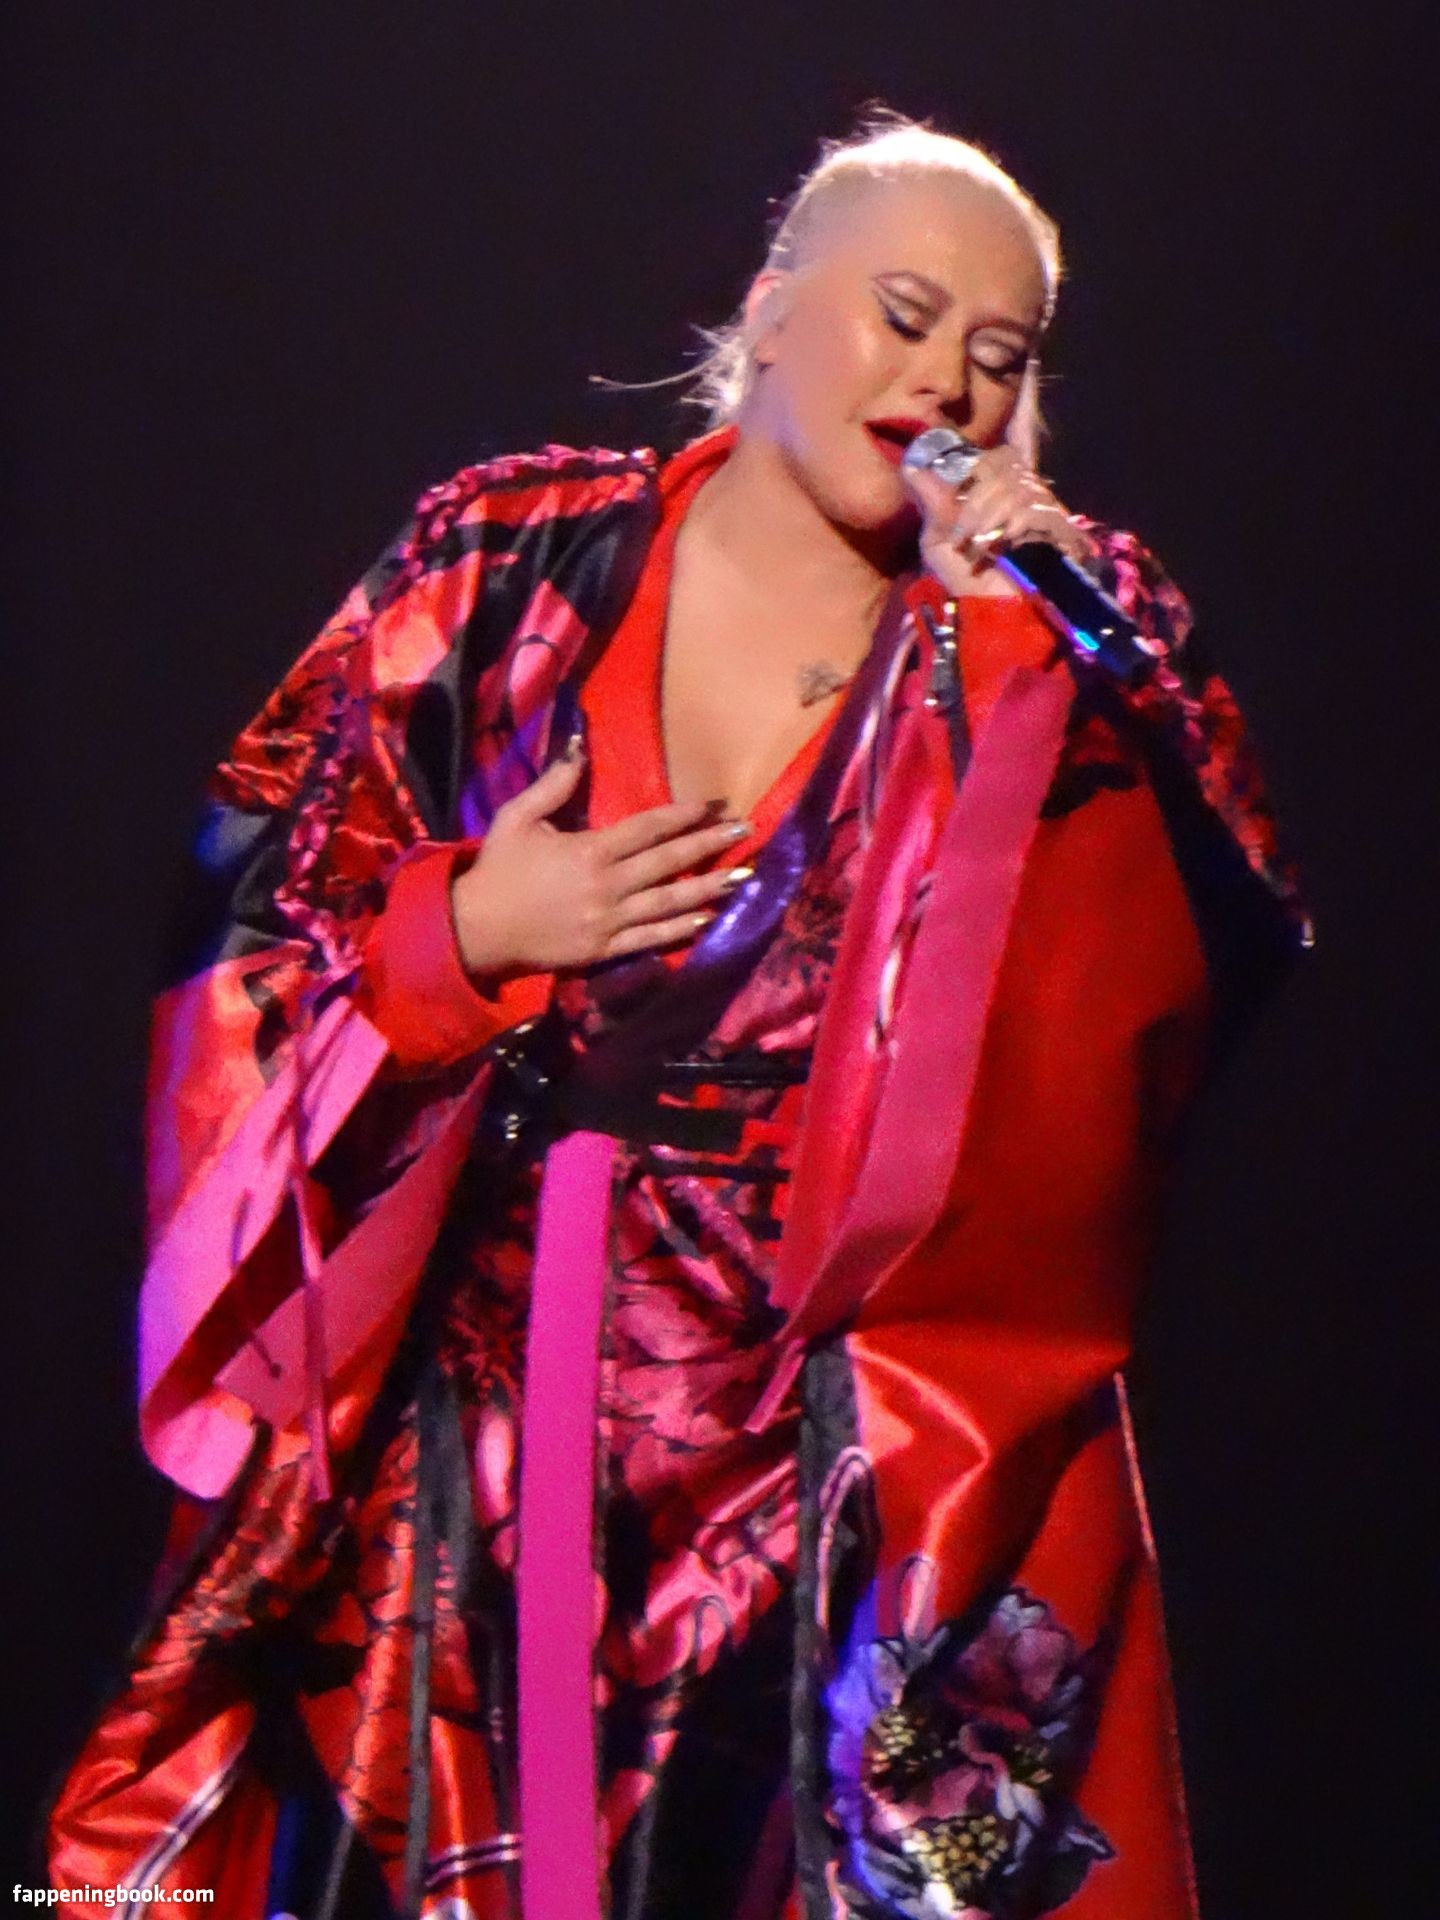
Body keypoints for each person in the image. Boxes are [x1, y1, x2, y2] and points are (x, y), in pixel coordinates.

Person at [46, 113, 1308, 1920]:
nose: (945, 381)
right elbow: (254, 913)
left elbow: (1190, 968)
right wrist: (465, 933)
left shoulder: (1062, 627)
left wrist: (1020, 660)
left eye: (999, 353)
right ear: (771, 311)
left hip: (839, 1452)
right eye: (902, 315)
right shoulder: (504, 559)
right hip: (477, 1428)